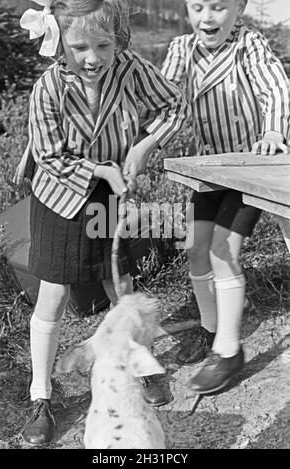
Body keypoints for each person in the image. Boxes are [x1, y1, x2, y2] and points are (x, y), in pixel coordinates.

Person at [16, 0, 189, 445]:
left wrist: (144, 146)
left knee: (121, 284)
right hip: (59, 195)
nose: (92, 58)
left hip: (111, 194)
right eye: (79, 47)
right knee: (53, 295)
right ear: (59, 43)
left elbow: (175, 107)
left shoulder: (131, 69)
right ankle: (42, 396)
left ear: (119, 41)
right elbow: (50, 157)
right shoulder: (48, 87)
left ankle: (141, 366)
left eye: (103, 45)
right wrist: (99, 170)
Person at [161, 0, 290, 394]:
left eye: (218, 7)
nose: (207, 17)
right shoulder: (182, 49)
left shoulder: (248, 43)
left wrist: (272, 132)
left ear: (239, 8)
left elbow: (274, 87)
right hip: (214, 170)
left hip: (254, 164)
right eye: (197, 6)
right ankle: (211, 328)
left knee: (224, 250)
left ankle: (229, 351)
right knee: (197, 249)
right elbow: (163, 97)